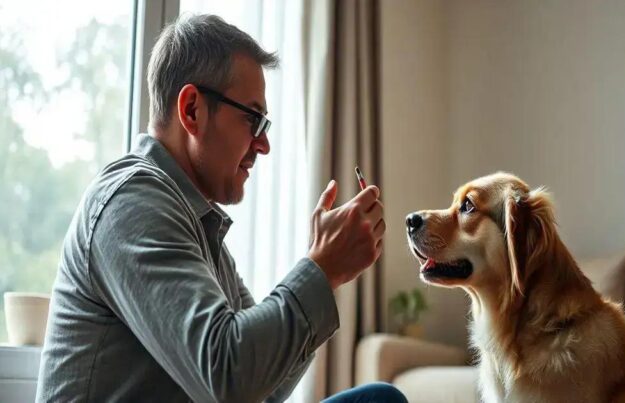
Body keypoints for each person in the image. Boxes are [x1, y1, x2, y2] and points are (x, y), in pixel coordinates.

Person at [36, 14, 406, 403]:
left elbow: (263, 388)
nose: (263, 145)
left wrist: (326, 274)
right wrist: (321, 267)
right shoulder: (132, 203)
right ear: (192, 109)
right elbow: (227, 376)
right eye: (253, 119)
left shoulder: (195, 223)